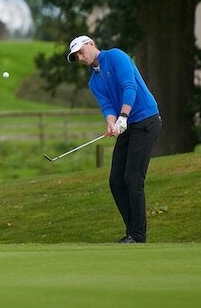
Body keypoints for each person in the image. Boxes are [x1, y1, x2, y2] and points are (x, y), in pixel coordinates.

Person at [66, 34, 162, 243]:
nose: (80, 58)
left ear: (91, 44)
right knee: (116, 181)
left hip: (146, 120)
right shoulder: (94, 81)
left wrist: (123, 117)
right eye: (76, 56)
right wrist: (112, 123)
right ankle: (132, 233)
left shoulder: (116, 56)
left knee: (133, 178)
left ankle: (138, 235)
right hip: (125, 125)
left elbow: (130, 86)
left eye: (81, 52)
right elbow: (107, 106)